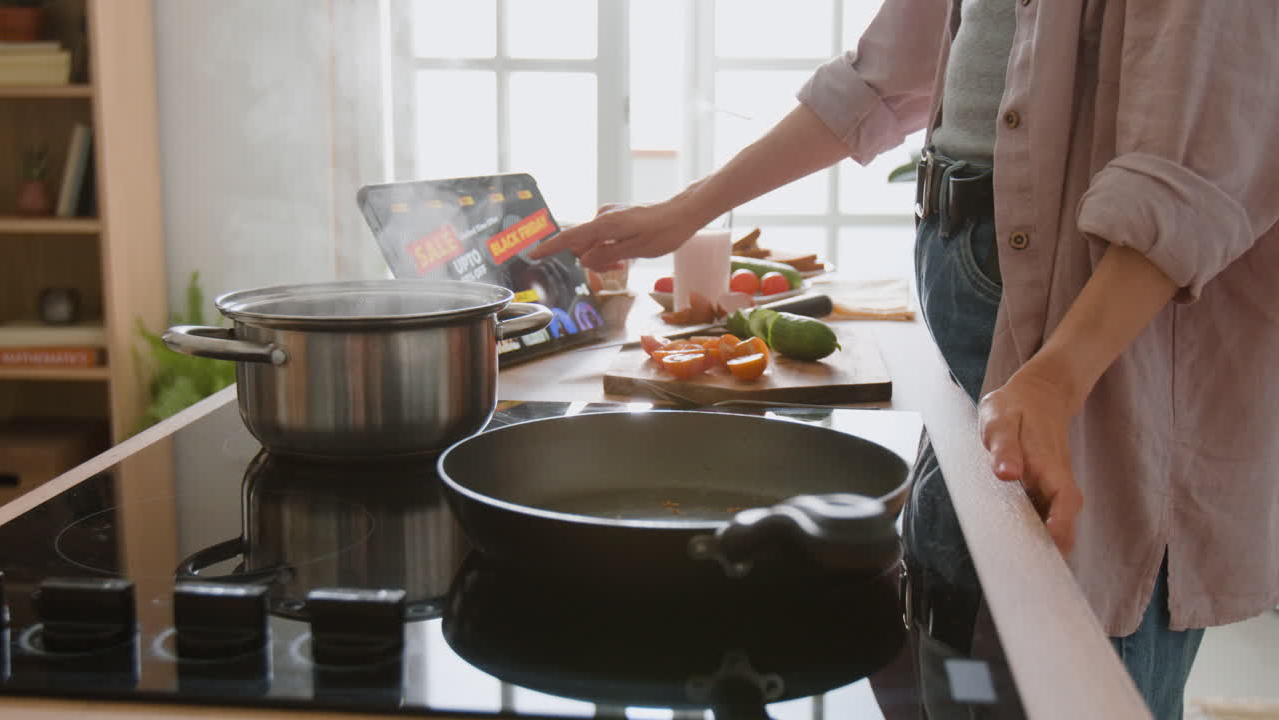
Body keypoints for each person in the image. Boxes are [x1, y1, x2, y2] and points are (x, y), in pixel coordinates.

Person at [531, 2, 1279, 718]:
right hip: (976, 318)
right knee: (963, 598)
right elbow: (876, 75)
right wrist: (687, 209)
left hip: (1095, 329)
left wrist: (1056, 373)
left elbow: (1198, 167)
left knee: (1073, 636)